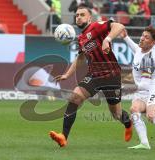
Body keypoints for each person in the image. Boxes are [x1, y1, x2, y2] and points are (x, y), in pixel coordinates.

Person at [49, 4, 132, 147]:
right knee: (75, 97)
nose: (79, 17)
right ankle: (63, 136)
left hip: (111, 73)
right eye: (77, 15)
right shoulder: (81, 38)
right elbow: (80, 58)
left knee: (116, 114)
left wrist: (107, 39)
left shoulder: (97, 26)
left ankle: (128, 123)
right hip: (94, 74)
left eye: (82, 15)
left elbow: (119, 26)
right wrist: (67, 75)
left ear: (89, 17)